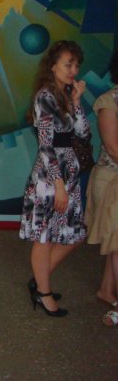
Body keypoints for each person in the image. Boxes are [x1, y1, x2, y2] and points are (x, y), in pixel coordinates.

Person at [19, 40, 90, 317]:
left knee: (74, 233)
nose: (74, 70)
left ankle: (40, 281)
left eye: (76, 65)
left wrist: (77, 102)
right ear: (53, 66)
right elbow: (46, 146)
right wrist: (58, 186)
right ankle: (44, 292)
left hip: (68, 173)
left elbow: (83, 133)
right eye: (68, 64)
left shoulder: (66, 94)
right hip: (50, 179)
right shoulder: (45, 97)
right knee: (45, 236)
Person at [85, 49, 118, 327]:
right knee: (116, 243)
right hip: (110, 180)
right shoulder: (109, 101)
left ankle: (107, 291)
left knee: (114, 243)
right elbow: (112, 147)